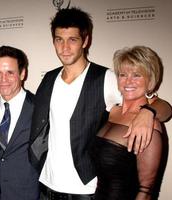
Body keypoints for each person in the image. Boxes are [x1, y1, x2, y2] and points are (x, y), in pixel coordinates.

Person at [29, 7, 171, 200]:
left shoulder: (106, 78)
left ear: (85, 41)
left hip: (85, 189)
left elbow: (164, 107)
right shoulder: (49, 78)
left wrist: (148, 112)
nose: (65, 48)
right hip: (47, 184)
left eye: (73, 39)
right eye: (59, 40)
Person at [91, 46, 165, 200]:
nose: (128, 81)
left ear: (150, 80)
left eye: (137, 75)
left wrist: (148, 112)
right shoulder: (110, 112)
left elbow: (146, 191)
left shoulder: (149, 125)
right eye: (122, 75)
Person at [0, 45, 40, 200]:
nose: (3, 79)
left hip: (27, 194)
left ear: (22, 73)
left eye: (10, 73)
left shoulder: (39, 109)